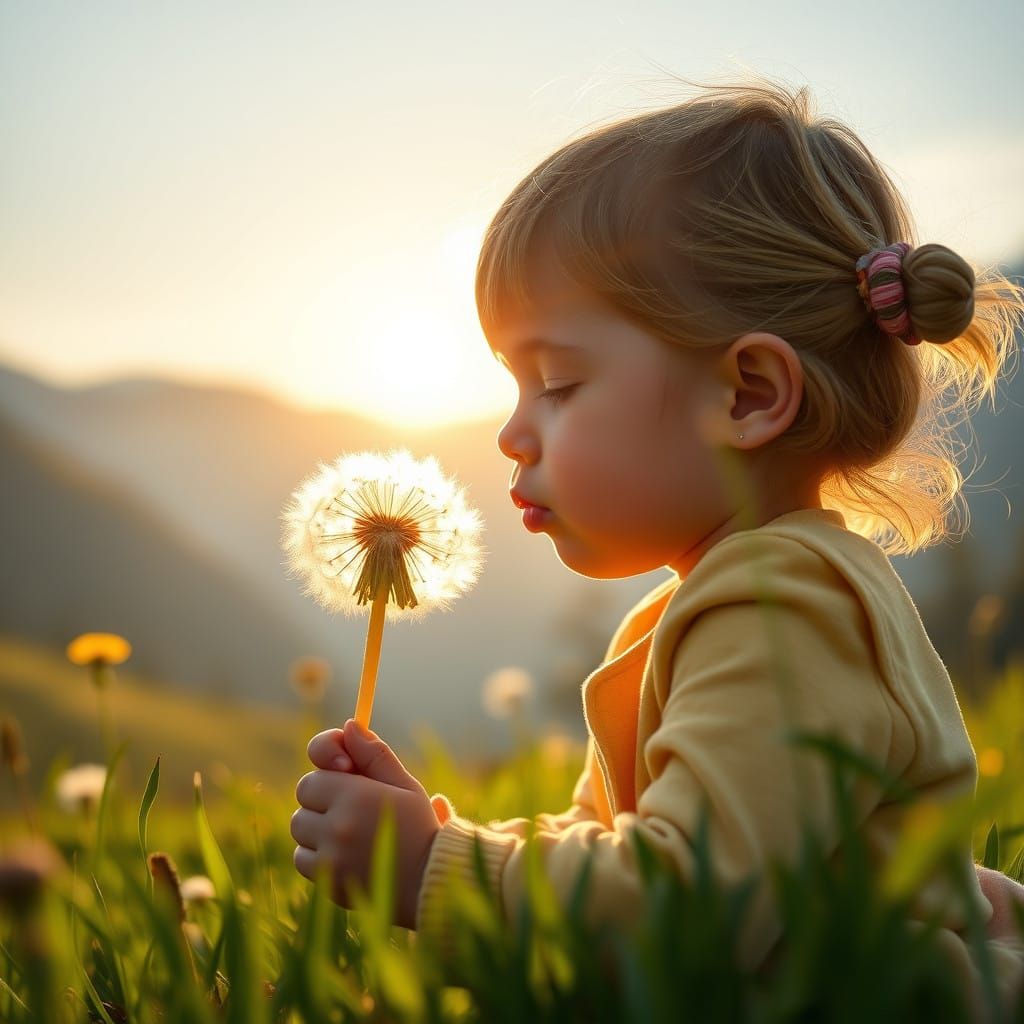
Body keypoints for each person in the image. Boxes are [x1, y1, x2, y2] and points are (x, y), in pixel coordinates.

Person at [290, 80, 1024, 1015]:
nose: (513, 433)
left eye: (556, 382)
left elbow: (683, 913)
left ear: (748, 395)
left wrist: (434, 869)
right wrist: (444, 833)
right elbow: (621, 843)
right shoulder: (710, 603)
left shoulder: (782, 611)